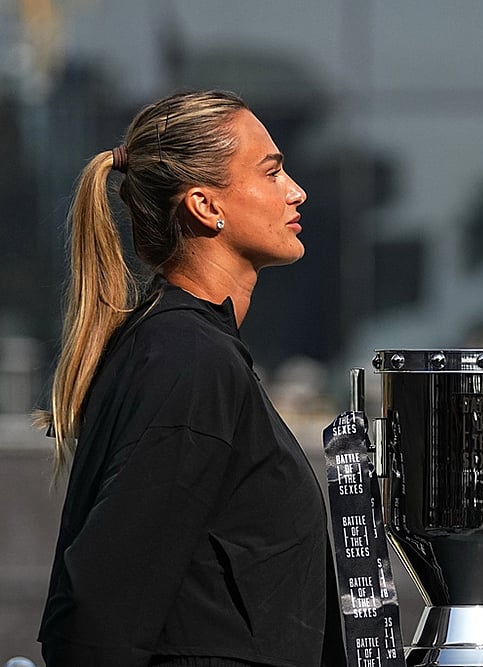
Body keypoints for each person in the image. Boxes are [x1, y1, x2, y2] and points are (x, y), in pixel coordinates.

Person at [36, 90, 345, 666]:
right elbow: (101, 609)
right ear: (205, 205)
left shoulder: (188, 350)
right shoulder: (188, 358)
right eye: (271, 172)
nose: (295, 191)